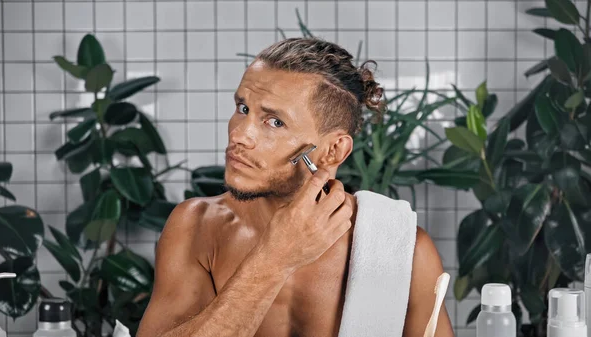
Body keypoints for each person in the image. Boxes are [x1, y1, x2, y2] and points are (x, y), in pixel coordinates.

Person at [137, 37, 454, 337]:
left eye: (274, 122)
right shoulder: (196, 228)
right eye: (243, 108)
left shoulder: (402, 247)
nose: (239, 136)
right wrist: (275, 257)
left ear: (333, 151)